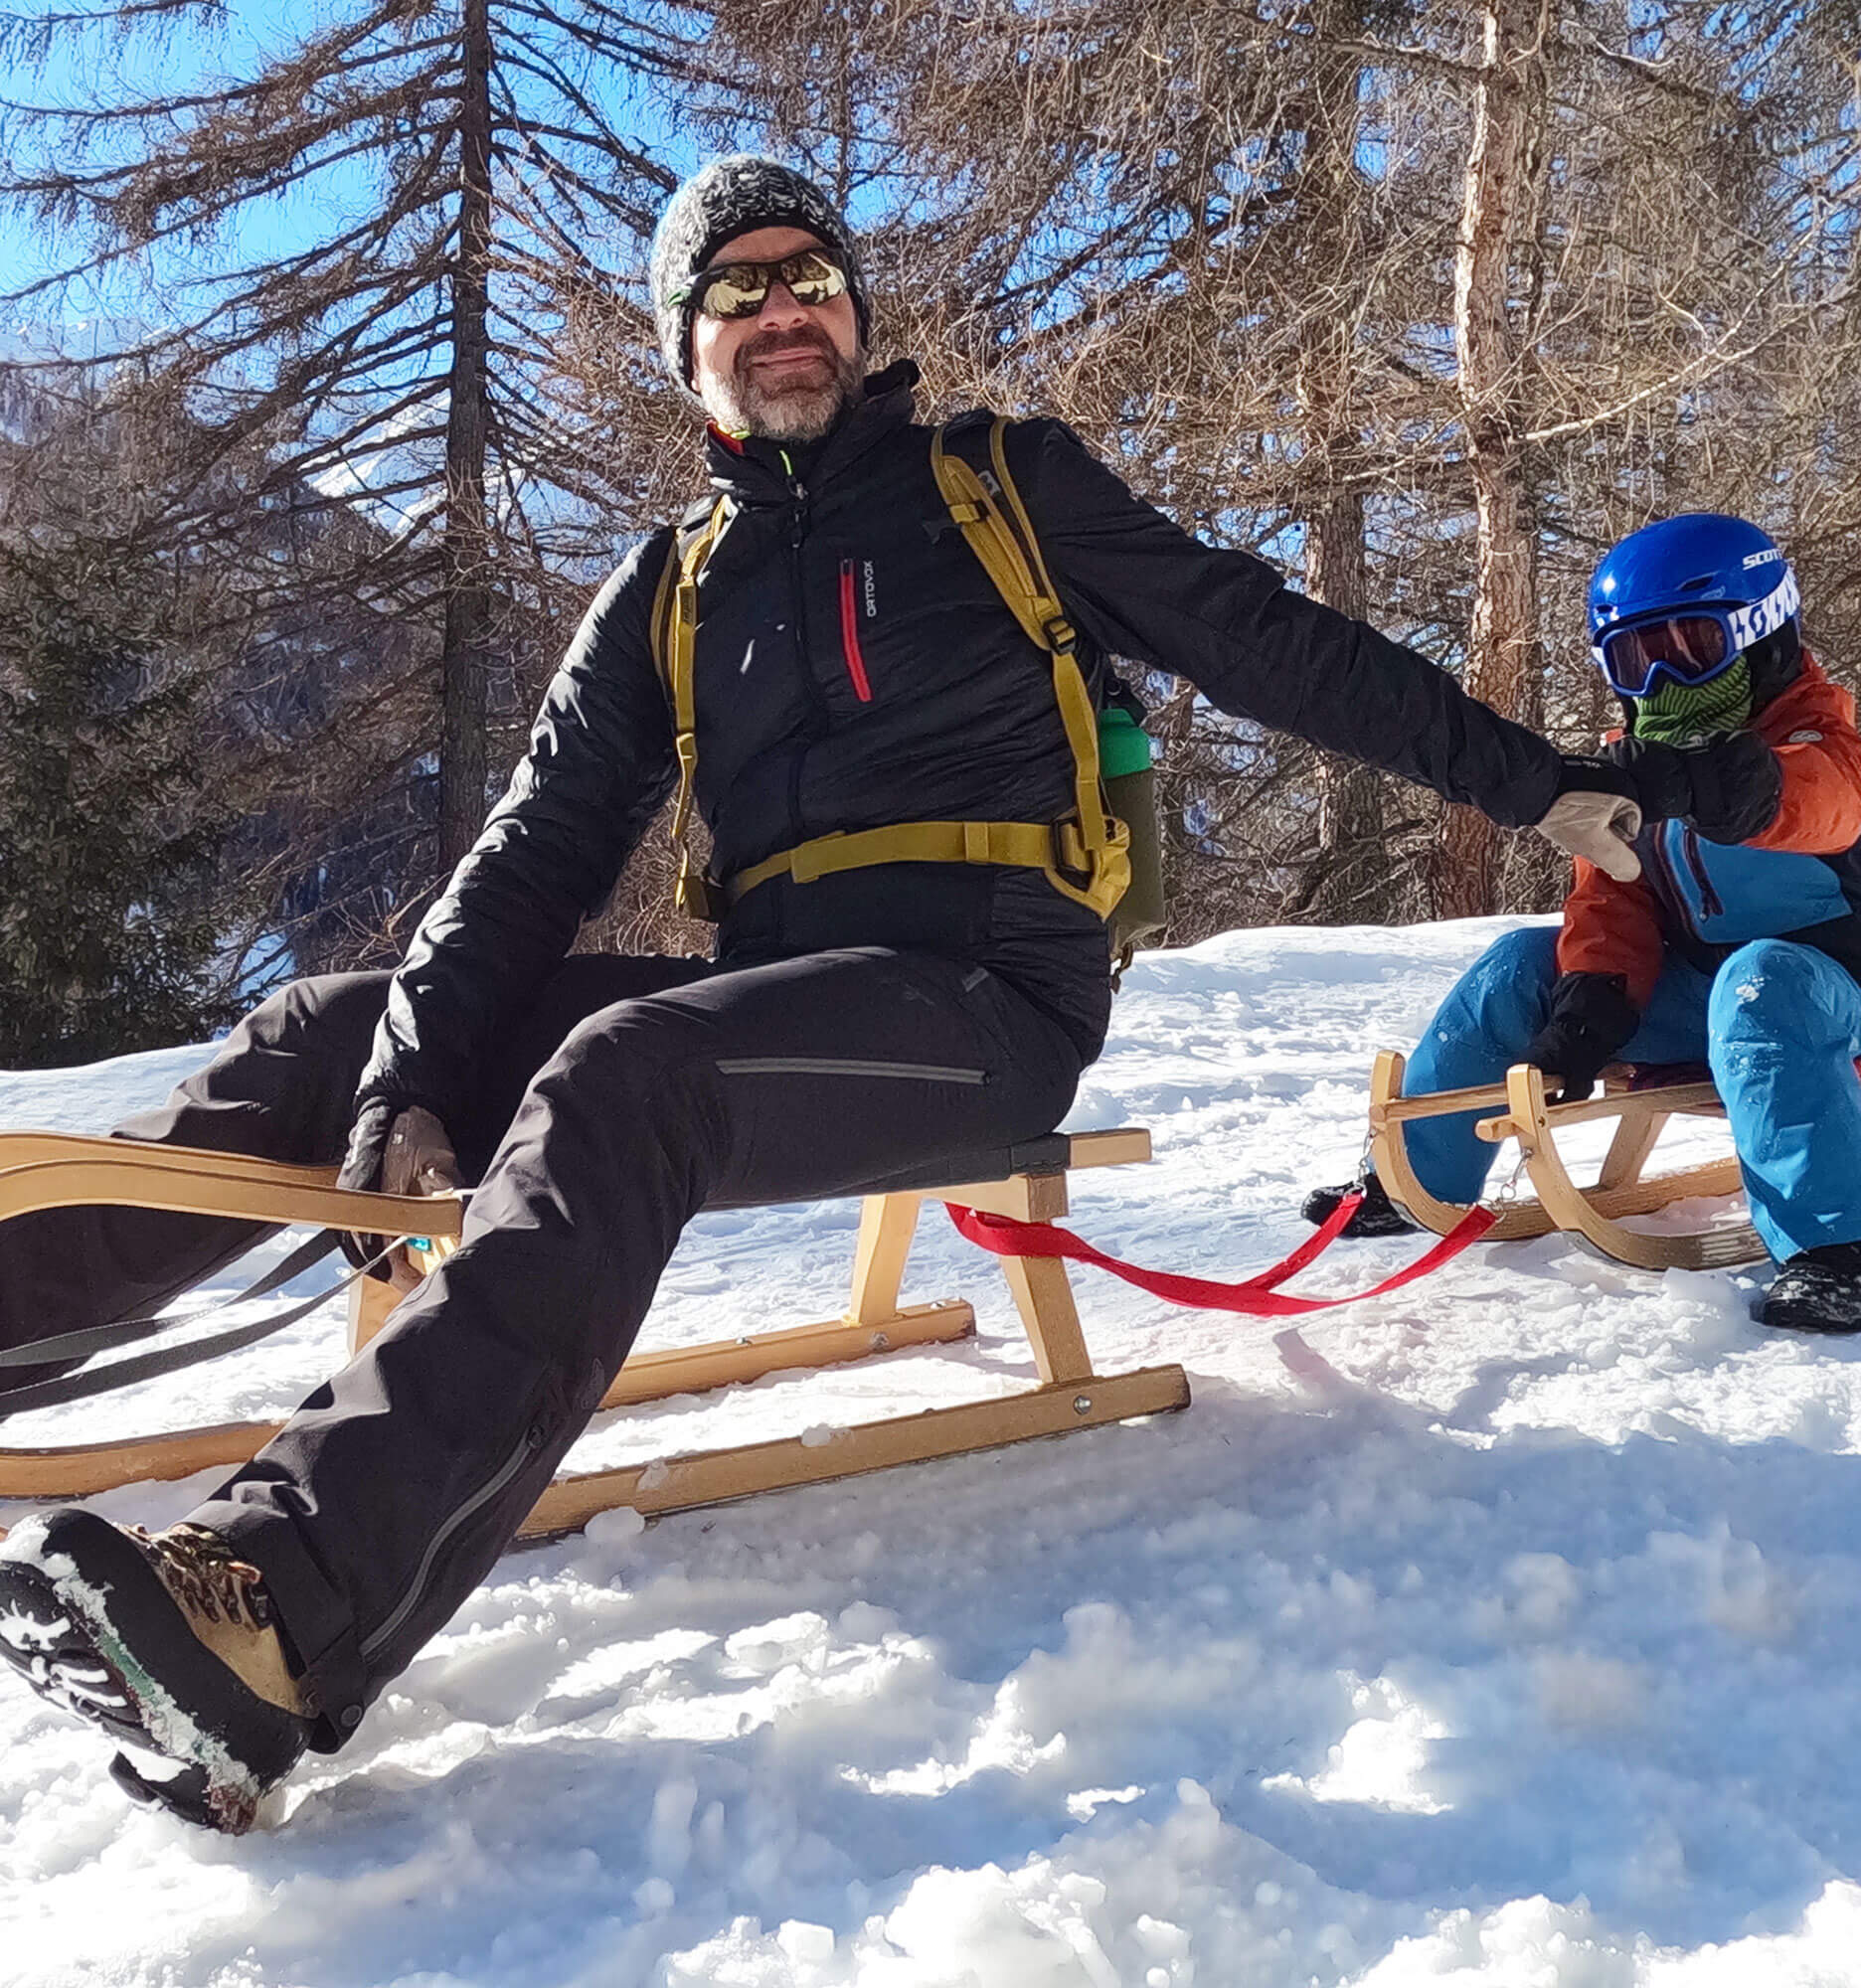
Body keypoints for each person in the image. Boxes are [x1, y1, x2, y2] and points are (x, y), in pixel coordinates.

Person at [0, 156, 1641, 1833]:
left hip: (986, 999)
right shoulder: (669, 590)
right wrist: (405, 1086)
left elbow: (1269, 639)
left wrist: (1531, 782)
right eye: (736, 289)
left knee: (627, 1070)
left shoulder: (997, 486)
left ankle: (282, 1611)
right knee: (323, 1034)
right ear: (682, 346)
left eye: (811, 278)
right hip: (781, 998)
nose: (784, 309)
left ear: (852, 313)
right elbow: (533, 852)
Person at [1304, 512, 1861, 1333]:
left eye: (1693, 647)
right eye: (1638, 658)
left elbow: (1817, 803)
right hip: (1709, 999)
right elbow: (1613, 902)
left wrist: (1716, 786)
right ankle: (1416, 1177)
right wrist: (1587, 1009)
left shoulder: (1826, 740)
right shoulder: (1636, 767)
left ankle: (1832, 1250)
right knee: (1519, 966)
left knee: (1761, 982)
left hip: (1830, 1002)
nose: (1666, 681)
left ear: (1762, 632)